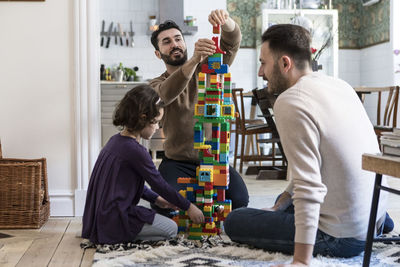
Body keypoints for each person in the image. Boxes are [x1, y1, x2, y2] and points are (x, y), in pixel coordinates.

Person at [223, 24, 392, 267]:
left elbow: (308, 185)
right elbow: (319, 160)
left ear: (284, 63)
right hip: (374, 219)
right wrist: (281, 203)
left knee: (236, 220)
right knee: (279, 209)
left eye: (263, 63)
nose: (261, 72)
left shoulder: (290, 101)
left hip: (342, 238)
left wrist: (301, 261)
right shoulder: (340, 85)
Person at [149, 9, 249, 216]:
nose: (174, 44)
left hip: (213, 161)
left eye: (178, 39)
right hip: (177, 162)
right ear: (158, 53)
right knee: (162, 204)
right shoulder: (156, 84)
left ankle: (198, 206)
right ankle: (192, 206)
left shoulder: (207, 71)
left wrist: (226, 21)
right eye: (166, 42)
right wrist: (193, 60)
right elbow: (165, 95)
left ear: (185, 44)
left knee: (239, 201)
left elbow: (232, 41)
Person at [82, 85, 204, 245]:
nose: (157, 128)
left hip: (99, 216)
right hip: (114, 218)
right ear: (143, 118)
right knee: (171, 229)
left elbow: (125, 184)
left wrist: (157, 199)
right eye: (156, 122)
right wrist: (188, 207)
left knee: (156, 217)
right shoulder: (136, 151)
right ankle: (120, 236)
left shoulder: (115, 141)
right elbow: (159, 184)